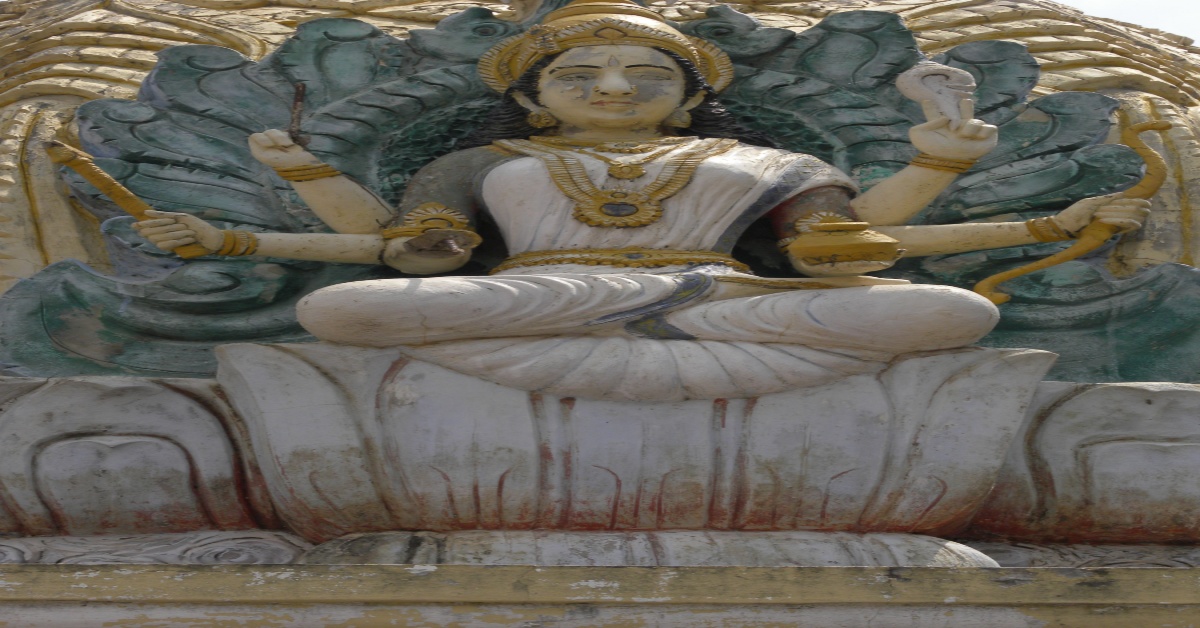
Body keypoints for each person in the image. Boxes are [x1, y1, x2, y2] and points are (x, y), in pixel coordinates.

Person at [133, 0, 1148, 363]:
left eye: (645, 74)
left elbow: (851, 257)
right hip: (533, 295)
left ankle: (637, 319)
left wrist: (972, 183)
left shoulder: (768, 167)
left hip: (723, 300)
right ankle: (626, 317)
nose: (612, 86)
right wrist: (260, 218)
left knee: (944, 315)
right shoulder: (484, 163)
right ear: (535, 98)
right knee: (349, 310)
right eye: (579, 73)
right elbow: (401, 253)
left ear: (685, 98)